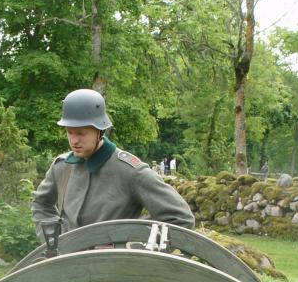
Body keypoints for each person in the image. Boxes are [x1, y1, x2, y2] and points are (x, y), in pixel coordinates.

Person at [32, 88, 194, 240]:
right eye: (70, 132)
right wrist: (55, 238)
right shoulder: (61, 167)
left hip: (115, 267)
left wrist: (134, 243)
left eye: (81, 133)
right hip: (68, 265)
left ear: (99, 131)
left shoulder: (130, 171)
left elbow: (180, 219)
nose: (74, 140)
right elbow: (41, 204)